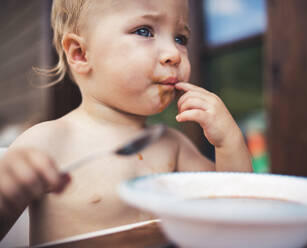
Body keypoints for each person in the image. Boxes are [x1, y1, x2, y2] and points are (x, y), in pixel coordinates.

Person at [1, 0, 252, 245]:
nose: (174, 54)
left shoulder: (173, 145)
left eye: (180, 39)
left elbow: (233, 212)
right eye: (144, 31)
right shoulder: (47, 142)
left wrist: (229, 142)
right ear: (80, 54)